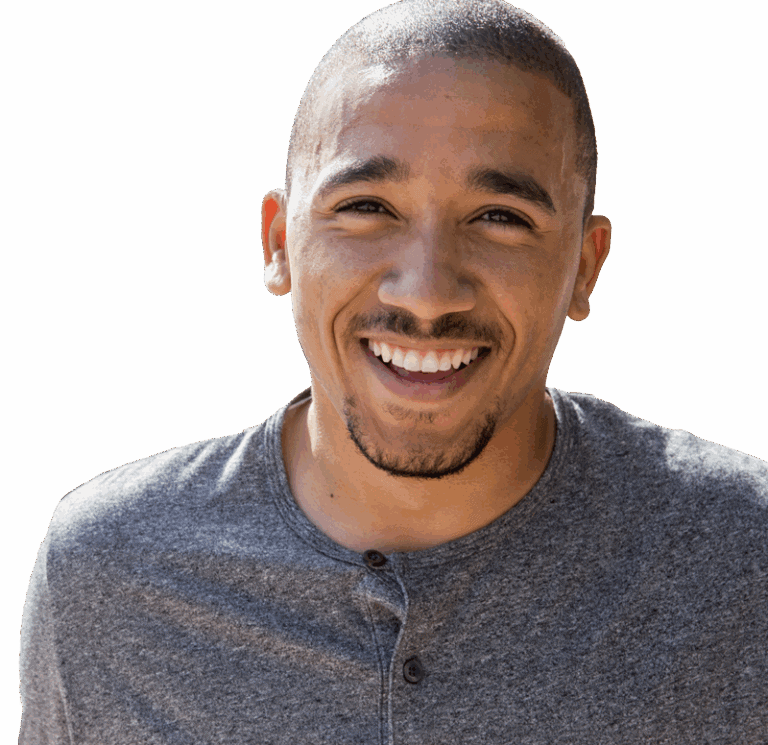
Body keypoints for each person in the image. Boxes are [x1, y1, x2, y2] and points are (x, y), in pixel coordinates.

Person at [18, 0, 767, 742]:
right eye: (367, 206)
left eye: (500, 217)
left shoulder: (741, 563)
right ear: (278, 245)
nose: (427, 293)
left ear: (584, 266)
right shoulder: (108, 574)